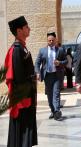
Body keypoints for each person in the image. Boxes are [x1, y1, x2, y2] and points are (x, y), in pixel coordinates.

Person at [5, 16, 38, 147]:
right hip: (23, 99)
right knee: (22, 131)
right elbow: (18, 77)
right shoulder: (16, 49)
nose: (29, 29)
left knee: (26, 130)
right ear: (19, 31)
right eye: (26, 27)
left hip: (28, 95)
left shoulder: (22, 47)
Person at [35, 32, 67, 121]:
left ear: (56, 40)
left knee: (56, 93)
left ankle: (57, 112)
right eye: (49, 40)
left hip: (57, 75)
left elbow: (66, 61)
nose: (51, 42)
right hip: (47, 76)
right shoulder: (42, 50)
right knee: (49, 95)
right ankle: (53, 111)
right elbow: (37, 63)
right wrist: (37, 72)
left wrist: (59, 63)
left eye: (53, 40)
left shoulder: (60, 50)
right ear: (47, 41)